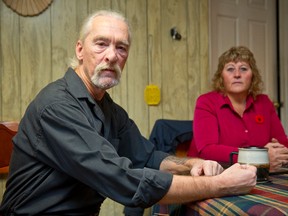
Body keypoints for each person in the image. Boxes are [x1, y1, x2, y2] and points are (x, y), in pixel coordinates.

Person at [0, 11, 257, 215]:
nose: (112, 55)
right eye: (101, 44)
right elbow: (122, 180)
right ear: (80, 50)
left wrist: (192, 164)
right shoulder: (57, 106)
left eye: (121, 48)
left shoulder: (110, 110)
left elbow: (147, 157)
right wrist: (220, 184)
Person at [187, 46, 288, 172]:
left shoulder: (264, 102)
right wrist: (260, 157)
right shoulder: (206, 102)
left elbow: (283, 144)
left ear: (253, 76)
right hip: (210, 175)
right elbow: (207, 150)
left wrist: (276, 155)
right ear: (221, 77)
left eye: (244, 69)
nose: (237, 74)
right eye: (230, 69)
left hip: (259, 175)